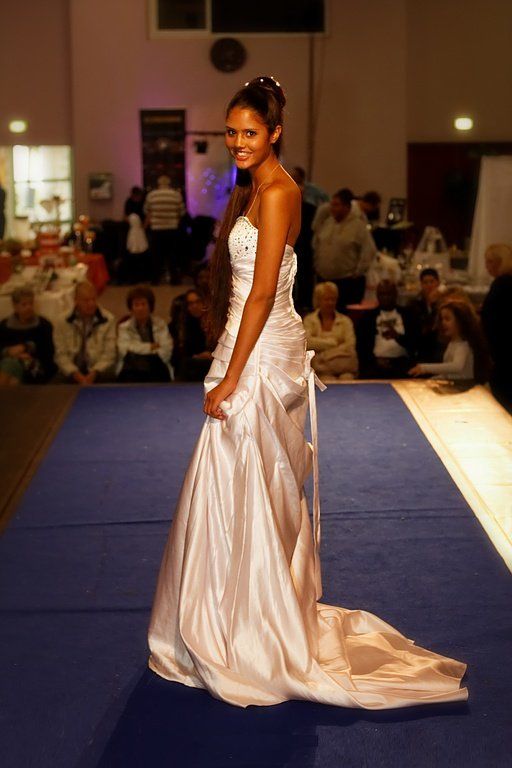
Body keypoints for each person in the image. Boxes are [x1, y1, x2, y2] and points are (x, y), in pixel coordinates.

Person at [148, 76, 467, 709]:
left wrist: (234, 374)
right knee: (243, 483)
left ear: (275, 133)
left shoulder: (278, 193)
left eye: (249, 133)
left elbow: (263, 293)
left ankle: (254, 629)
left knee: (250, 482)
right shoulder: (258, 185)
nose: (238, 142)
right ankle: (237, 617)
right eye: (232, 132)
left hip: (260, 349)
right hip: (255, 341)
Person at [312, 188, 377, 311]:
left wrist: (357, 272)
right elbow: (317, 243)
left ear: (347, 207)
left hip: (346, 283)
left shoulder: (358, 226)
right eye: (332, 204)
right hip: (323, 279)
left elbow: (369, 251)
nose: (332, 208)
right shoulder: (327, 222)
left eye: (336, 205)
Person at [409, 300, 490, 384]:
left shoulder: (463, 345)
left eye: (447, 319)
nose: (443, 323)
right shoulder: (453, 343)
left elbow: (456, 367)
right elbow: (449, 375)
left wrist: (425, 368)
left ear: (460, 321)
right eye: (442, 319)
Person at [53, 281, 116, 384]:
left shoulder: (108, 320)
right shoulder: (62, 321)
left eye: (93, 299)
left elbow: (110, 354)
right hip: (72, 371)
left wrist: (95, 372)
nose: (91, 304)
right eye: (86, 301)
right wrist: (74, 373)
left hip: (98, 371)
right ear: (76, 301)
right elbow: (60, 355)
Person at [356, 279, 418, 379]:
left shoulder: (408, 315)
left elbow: (416, 344)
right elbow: (361, 348)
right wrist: (375, 361)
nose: (385, 298)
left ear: (395, 295)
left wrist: (398, 337)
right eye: (382, 294)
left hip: (402, 364)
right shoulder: (368, 318)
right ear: (377, 296)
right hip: (375, 365)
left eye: (389, 294)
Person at [303, 282, 358, 381]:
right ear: (318, 300)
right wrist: (332, 342)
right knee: (326, 380)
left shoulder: (345, 321)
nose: (330, 302)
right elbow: (307, 342)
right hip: (319, 371)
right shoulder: (309, 320)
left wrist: (325, 355)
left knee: (347, 379)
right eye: (327, 299)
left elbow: (350, 345)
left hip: (343, 367)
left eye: (333, 299)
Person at [0, 288, 56, 385]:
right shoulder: (5, 326)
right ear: (15, 306)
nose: (29, 307)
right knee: (13, 378)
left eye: (30, 304)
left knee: (11, 366)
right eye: (24, 304)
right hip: (9, 364)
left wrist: (24, 349)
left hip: (37, 367)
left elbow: (48, 353)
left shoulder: (43, 325)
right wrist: (8, 352)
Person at [117, 286, 172, 382]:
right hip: (132, 369)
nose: (140, 308)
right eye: (136, 305)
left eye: (143, 304)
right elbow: (124, 350)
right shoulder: (123, 327)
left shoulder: (160, 324)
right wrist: (151, 346)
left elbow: (166, 350)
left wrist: (136, 348)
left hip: (157, 369)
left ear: (150, 306)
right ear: (131, 308)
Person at [480, 243, 512, 411]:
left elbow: (492, 319)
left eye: (489, 262)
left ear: (499, 262)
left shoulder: (501, 285)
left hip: (503, 352)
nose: (486, 267)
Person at [144, 175, 185, 285]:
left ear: (158, 183)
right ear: (169, 183)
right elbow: (182, 212)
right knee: (172, 256)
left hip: (156, 230)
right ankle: (174, 279)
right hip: (172, 229)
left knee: (157, 256)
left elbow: (147, 211)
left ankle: (155, 279)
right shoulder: (176, 195)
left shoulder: (151, 195)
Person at [288, 167, 316, 314]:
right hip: (291, 245)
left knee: (304, 276)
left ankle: (304, 304)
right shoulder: (286, 206)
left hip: (304, 246)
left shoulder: (310, 209)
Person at [169, 289, 212, 381]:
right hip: (190, 368)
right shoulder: (179, 326)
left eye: (198, 302)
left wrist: (211, 355)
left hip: (212, 364)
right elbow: (177, 356)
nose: (195, 306)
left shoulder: (214, 324)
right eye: (190, 303)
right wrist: (197, 357)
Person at [408, 267, 444, 362]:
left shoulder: (445, 302)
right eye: (425, 282)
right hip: (422, 344)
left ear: (438, 283)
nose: (429, 285)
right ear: (421, 284)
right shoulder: (415, 304)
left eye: (432, 281)